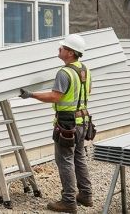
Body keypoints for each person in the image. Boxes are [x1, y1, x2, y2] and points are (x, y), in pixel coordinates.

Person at [20, 34, 92, 213]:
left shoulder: (64, 72)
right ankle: (86, 195)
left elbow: (55, 97)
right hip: (83, 121)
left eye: (63, 47)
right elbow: (87, 91)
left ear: (70, 52)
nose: (59, 49)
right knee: (79, 158)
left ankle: (68, 202)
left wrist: (31, 95)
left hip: (67, 123)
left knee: (65, 161)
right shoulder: (84, 69)